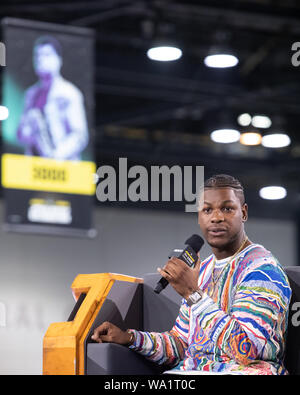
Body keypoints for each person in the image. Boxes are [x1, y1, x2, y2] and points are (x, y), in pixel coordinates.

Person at [91, 174, 292, 375]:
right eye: (207, 210)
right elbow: (180, 345)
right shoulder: (202, 270)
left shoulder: (262, 269)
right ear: (199, 217)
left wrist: (193, 294)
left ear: (244, 212)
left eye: (227, 208)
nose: (216, 217)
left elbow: (245, 350)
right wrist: (130, 338)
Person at [17, 35, 89, 160]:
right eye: (38, 55)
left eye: (47, 55)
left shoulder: (69, 93)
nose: (41, 59)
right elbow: (21, 135)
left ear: (58, 60)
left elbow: (79, 135)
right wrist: (30, 129)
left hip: (64, 170)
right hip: (34, 169)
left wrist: (56, 156)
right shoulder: (31, 94)